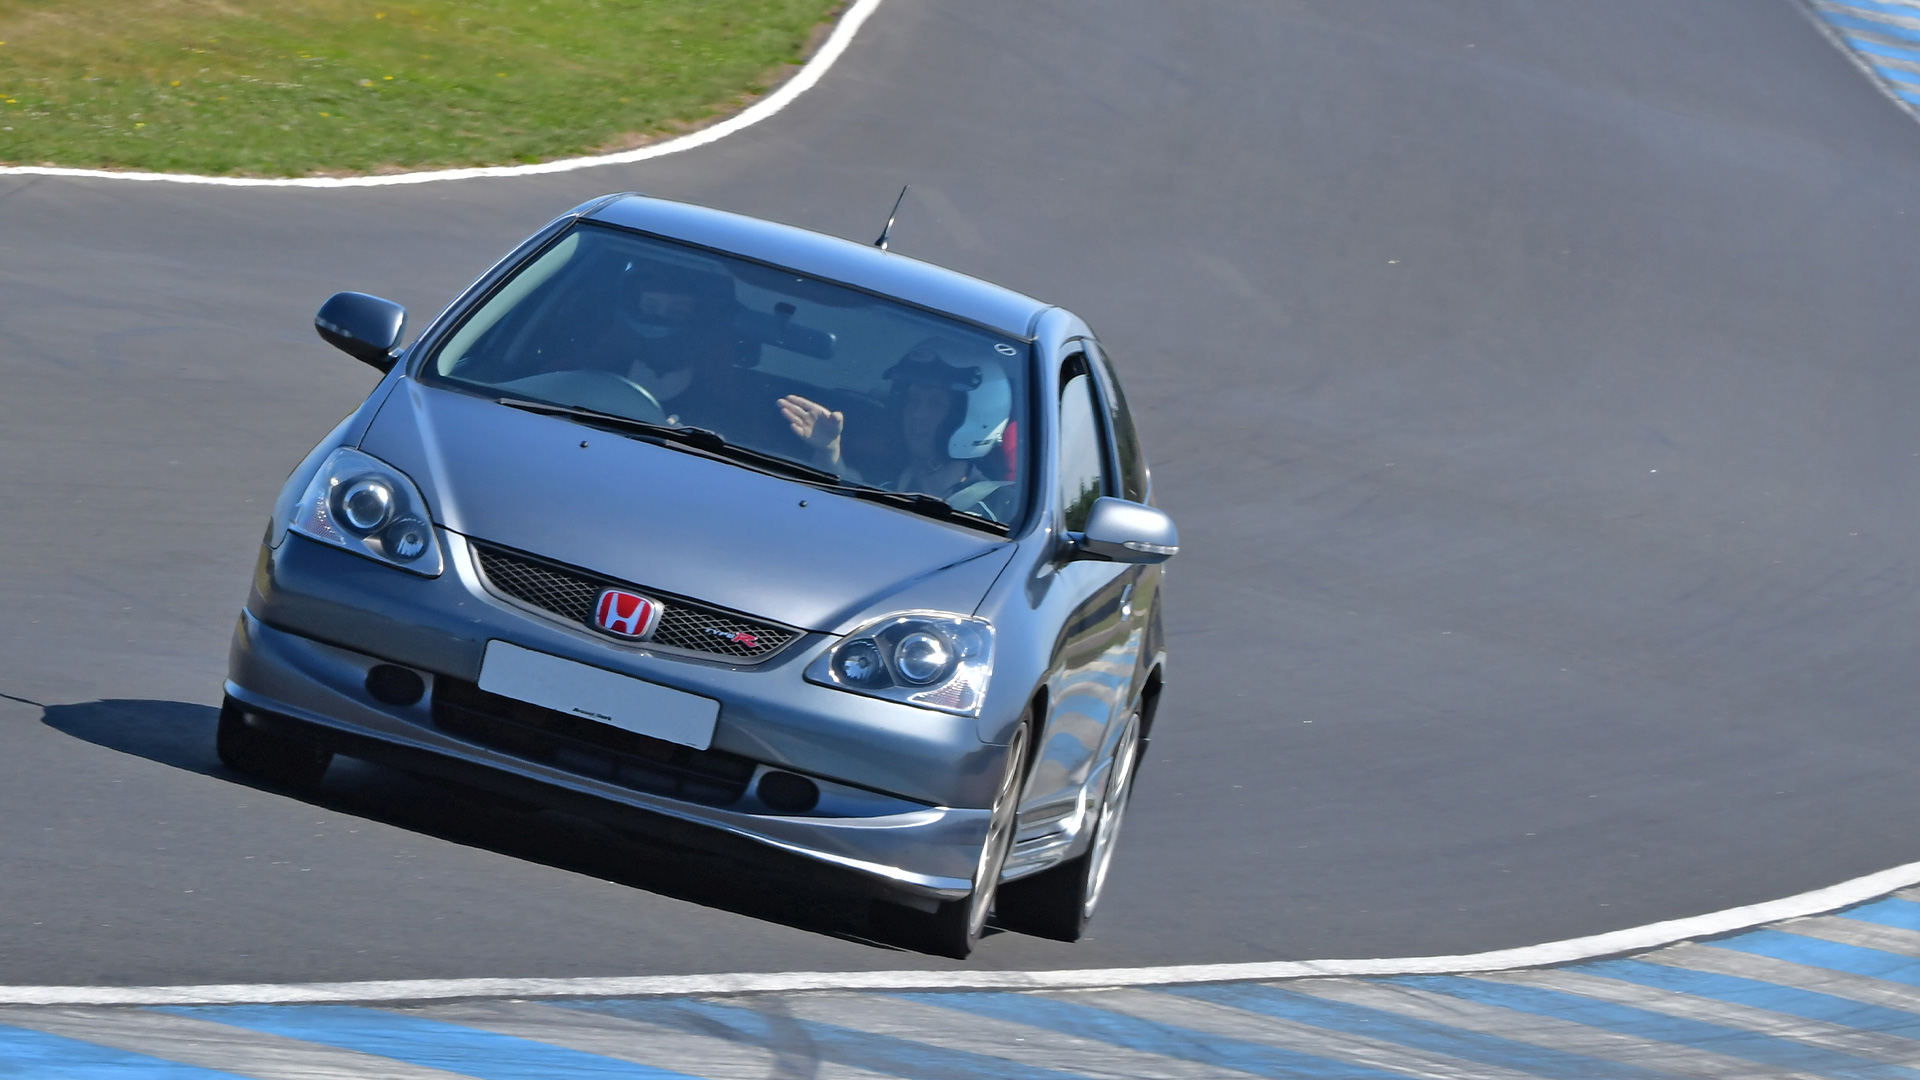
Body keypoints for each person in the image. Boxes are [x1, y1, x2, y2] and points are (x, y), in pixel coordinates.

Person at [779, 340, 1013, 516]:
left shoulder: (1001, 508)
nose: (917, 415)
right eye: (912, 400)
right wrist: (828, 449)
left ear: (973, 416)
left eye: (935, 404)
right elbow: (843, 491)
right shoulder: (889, 479)